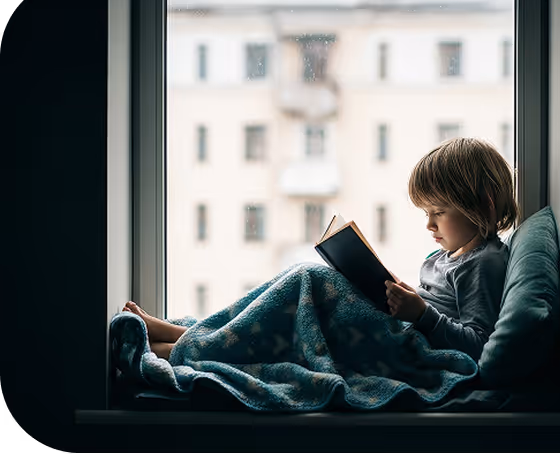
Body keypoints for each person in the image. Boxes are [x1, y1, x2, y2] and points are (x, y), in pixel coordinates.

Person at [123, 137, 520, 363]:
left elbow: (480, 346)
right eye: (426, 212)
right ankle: (187, 335)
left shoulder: (483, 262)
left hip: (410, 350)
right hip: (396, 331)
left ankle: (184, 343)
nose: (429, 224)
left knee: (307, 280)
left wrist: (421, 314)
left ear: (482, 204)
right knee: (303, 280)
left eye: (439, 212)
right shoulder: (443, 256)